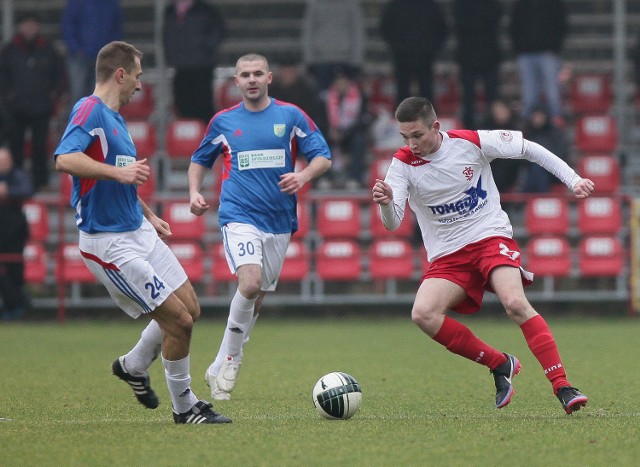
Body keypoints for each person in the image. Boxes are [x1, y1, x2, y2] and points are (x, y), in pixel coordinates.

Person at [372, 97, 593, 414]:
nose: (411, 143)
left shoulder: (470, 142)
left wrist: (573, 179)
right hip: (448, 256)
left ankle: (563, 386)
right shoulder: (402, 164)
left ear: (436, 126)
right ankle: (499, 363)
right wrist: (385, 201)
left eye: (417, 135)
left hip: (489, 237)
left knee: (515, 303)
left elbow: (528, 148)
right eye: (405, 137)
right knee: (423, 314)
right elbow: (392, 223)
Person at [53, 41, 231, 424]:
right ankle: (185, 409)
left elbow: (123, 180)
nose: (140, 82)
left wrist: (147, 214)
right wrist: (119, 173)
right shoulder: (89, 110)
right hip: (109, 242)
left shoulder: (117, 120)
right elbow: (65, 159)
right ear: (120, 74)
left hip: (136, 229)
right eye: (136, 74)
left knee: (192, 309)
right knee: (178, 322)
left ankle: (134, 365)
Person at [188, 53, 332, 400]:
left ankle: (218, 364)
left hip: (279, 219)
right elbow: (199, 160)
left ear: (269, 78)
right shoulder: (223, 122)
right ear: (235, 82)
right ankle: (231, 358)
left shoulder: (291, 115)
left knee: (259, 294)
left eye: (257, 74)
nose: (251, 79)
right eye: (244, 75)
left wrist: (302, 175)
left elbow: (323, 156)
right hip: (238, 214)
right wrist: (193, 191)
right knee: (250, 283)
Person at [0, 13, 66, 190]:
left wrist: (53, 95)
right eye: (25, 24)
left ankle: (40, 182)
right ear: (20, 27)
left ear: (37, 27)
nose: (29, 28)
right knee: (15, 148)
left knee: (40, 147)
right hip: (16, 109)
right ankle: (15, 183)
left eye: (32, 24)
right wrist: (8, 97)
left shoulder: (49, 49)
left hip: (41, 108)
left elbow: (60, 76)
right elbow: (3, 77)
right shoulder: (9, 50)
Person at [163, 0, 226, 121]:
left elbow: (218, 31)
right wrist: (171, 55)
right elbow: (167, 36)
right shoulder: (169, 11)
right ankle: (190, 135)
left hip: (202, 66)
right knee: (181, 103)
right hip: (180, 66)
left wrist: (203, 48)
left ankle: (205, 134)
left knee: (202, 104)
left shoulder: (206, 10)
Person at [509, 0, 568, 126]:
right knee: (529, 94)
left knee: (552, 92)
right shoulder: (521, 4)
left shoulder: (554, 3)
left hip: (548, 53)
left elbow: (561, 24)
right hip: (526, 54)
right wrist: (519, 49)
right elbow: (514, 26)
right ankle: (528, 127)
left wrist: (555, 48)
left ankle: (556, 126)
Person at [379, 0, 448, 105]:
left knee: (404, 91)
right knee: (425, 91)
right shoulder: (430, 5)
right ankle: (427, 119)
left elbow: (385, 28)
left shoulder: (396, 5)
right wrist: (432, 49)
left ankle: (403, 119)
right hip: (423, 55)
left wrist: (396, 47)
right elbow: (442, 30)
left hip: (404, 55)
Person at [452, 0, 503, 129]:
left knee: (488, 96)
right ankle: (472, 126)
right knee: (470, 96)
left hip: (480, 54)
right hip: (477, 54)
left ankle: (489, 125)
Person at [61, 0, 123, 104]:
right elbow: (68, 24)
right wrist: (75, 48)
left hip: (102, 58)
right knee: (78, 94)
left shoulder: (111, 3)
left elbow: (116, 27)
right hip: (80, 57)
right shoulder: (76, 2)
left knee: (100, 96)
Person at [302, 0, 365, 97]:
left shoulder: (351, 5)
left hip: (346, 60)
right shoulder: (314, 5)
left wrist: (357, 61)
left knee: (348, 101)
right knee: (323, 99)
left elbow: (357, 32)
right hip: (321, 61)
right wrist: (309, 60)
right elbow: (308, 33)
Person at [0, 146, 33, 321]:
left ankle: (16, 307)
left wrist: (8, 192)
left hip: (14, 231)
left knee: (15, 270)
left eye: (5, 160)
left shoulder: (18, 175)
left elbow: (27, 190)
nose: (2, 164)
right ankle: (19, 303)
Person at [325, 68, 370, 189]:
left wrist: (345, 133)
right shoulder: (326, 97)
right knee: (318, 140)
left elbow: (364, 120)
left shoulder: (360, 96)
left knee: (359, 140)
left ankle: (355, 178)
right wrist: (330, 131)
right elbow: (320, 119)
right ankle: (325, 179)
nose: (341, 85)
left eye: (344, 82)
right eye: (338, 82)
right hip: (331, 135)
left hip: (351, 135)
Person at [521, 105, 569, 193]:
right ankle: (540, 199)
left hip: (554, 170)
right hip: (532, 168)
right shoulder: (528, 133)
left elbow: (562, 153)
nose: (537, 119)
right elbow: (521, 154)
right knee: (536, 169)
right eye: (535, 116)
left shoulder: (555, 132)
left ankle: (523, 199)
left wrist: (544, 160)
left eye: (540, 116)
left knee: (538, 168)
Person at [483, 98, 523, 193]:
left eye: (501, 110)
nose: (499, 113)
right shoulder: (485, 129)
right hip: (492, 167)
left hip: (513, 166)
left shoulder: (518, 128)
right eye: (496, 111)